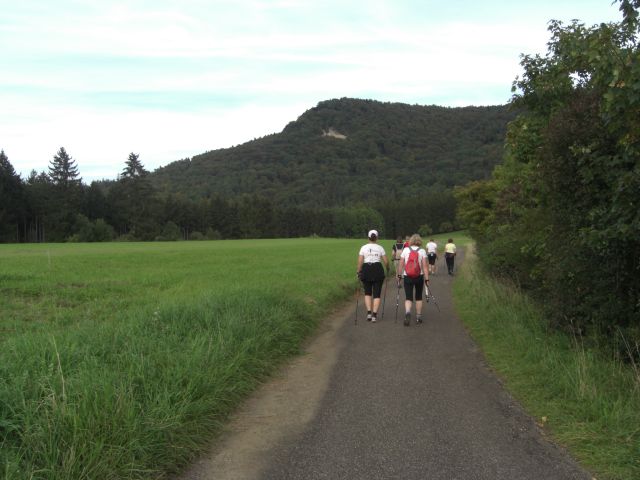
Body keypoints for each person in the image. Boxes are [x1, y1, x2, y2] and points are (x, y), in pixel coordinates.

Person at [356, 230, 389, 323]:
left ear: (368, 237)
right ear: (377, 238)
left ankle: (369, 313)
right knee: (377, 293)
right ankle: (374, 315)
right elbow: (386, 262)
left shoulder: (363, 247)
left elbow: (360, 261)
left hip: (366, 268)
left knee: (367, 292)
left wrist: (358, 271)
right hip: (378, 269)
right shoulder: (380, 248)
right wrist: (388, 268)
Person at [397, 233, 429, 326]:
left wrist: (399, 275)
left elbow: (401, 263)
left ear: (411, 241)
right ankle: (418, 317)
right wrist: (427, 279)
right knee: (418, 297)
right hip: (419, 276)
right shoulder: (422, 251)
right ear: (419, 241)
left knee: (408, 297)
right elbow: (425, 267)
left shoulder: (406, 250)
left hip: (407, 276)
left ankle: (407, 312)